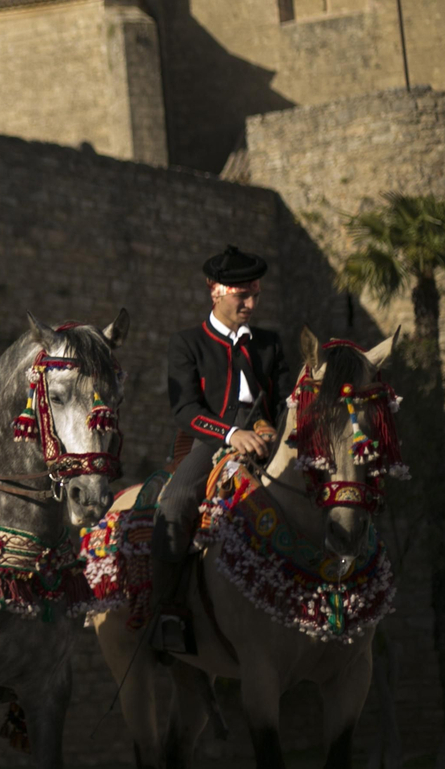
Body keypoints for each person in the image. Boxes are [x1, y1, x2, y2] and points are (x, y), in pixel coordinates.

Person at [151, 244, 294, 653]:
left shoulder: (271, 342)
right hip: (212, 441)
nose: (250, 304)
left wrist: (274, 430)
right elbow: (184, 409)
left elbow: (285, 399)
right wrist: (232, 434)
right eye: (241, 296)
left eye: (255, 295)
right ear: (215, 290)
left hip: (269, 441)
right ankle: (169, 610)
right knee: (175, 504)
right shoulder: (187, 342)